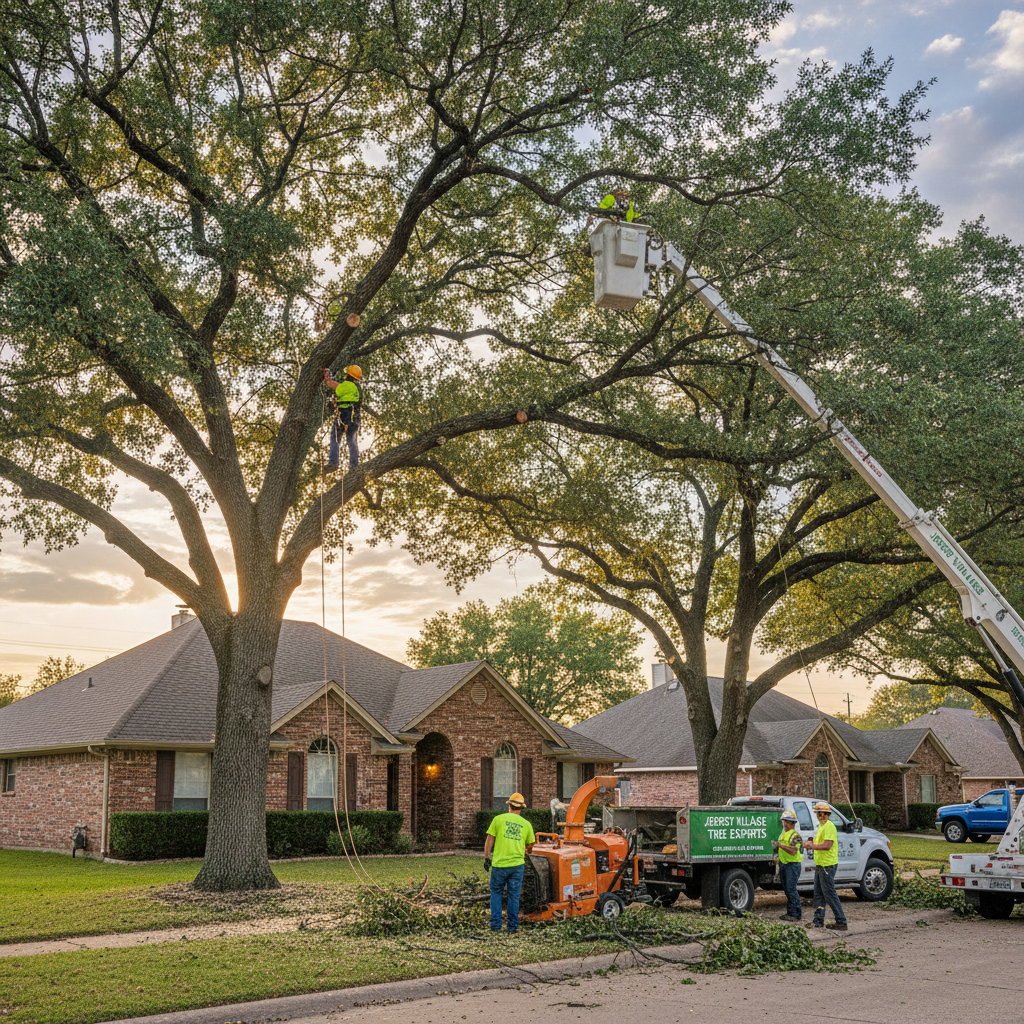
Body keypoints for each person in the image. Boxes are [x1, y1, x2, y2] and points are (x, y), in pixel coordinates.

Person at [483, 792, 536, 934]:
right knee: (514, 895)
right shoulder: (526, 824)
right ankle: (512, 927)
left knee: (496, 893)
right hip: (517, 866)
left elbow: (489, 839)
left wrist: (487, 858)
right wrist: (527, 851)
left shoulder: (498, 820)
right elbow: (531, 844)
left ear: (509, 805)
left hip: (499, 865)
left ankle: (496, 925)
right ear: (522, 808)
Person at [803, 801, 848, 931]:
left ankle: (841, 921)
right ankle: (818, 920)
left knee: (829, 893)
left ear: (823, 814)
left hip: (827, 865)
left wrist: (811, 846)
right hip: (821, 865)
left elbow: (827, 845)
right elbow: (820, 842)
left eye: (818, 813)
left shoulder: (829, 826)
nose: (817, 815)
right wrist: (810, 843)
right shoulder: (821, 826)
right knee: (818, 893)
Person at [322, 365, 362, 473]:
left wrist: (327, 374)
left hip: (344, 415)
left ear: (347, 375)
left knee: (335, 438)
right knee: (352, 441)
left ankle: (333, 462)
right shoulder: (355, 388)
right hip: (355, 418)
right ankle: (354, 466)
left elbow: (331, 383)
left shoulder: (345, 386)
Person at [774, 809, 802, 922]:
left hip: (792, 866)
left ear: (792, 823)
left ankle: (795, 914)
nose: (785, 823)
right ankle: (791, 912)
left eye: (787, 821)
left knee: (791, 889)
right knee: (787, 890)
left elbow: (794, 851)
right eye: (784, 821)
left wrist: (780, 845)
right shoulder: (783, 833)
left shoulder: (796, 836)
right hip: (785, 864)